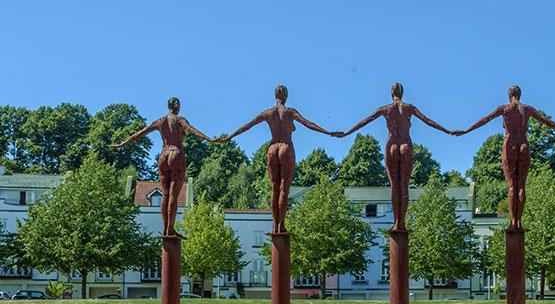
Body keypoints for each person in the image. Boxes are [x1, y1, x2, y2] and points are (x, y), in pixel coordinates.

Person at [452, 85, 555, 230]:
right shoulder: (527, 109)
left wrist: (466, 130)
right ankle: (519, 222)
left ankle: (512, 223)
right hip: (523, 144)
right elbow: (548, 122)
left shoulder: (504, 109)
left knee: (512, 186)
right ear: (520, 95)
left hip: (509, 144)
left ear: (509, 94)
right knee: (521, 186)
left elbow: (484, 120)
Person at [215, 85, 335, 233]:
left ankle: (274, 224)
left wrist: (229, 137)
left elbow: (248, 125)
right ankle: (281, 225)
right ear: (285, 96)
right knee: (283, 188)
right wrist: (328, 132)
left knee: (274, 188)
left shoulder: (268, 113)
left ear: (275, 96)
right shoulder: (290, 112)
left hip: (272, 149)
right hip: (285, 147)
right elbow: (307, 123)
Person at [335, 82, 451, 231]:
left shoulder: (386, 109)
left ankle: (396, 223)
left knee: (394, 186)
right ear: (402, 93)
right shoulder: (409, 108)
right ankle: (402, 223)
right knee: (404, 186)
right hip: (405, 144)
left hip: (392, 145)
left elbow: (365, 121)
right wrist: (447, 131)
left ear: (391, 93)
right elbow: (428, 121)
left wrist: (346, 133)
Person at [112, 97, 213, 236]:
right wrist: (209, 139)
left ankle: (166, 229)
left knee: (165, 194)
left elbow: (140, 133)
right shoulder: (179, 120)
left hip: (163, 156)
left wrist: (122, 143)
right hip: (176, 154)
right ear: (176, 106)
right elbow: (191, 130)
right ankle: (170, 229)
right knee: (173, 195)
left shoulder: (160, 121)